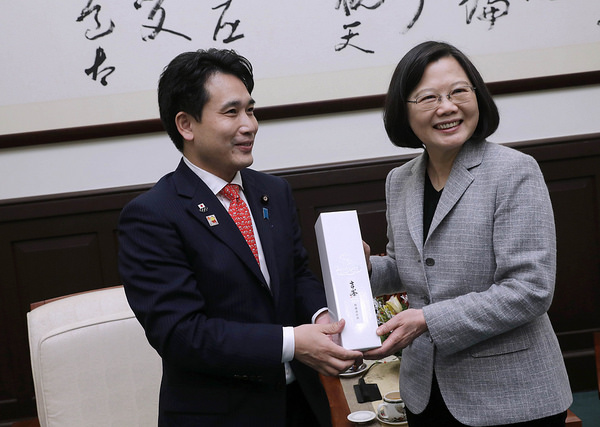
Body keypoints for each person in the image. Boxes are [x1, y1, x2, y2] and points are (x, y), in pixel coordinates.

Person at [118, 48, 362, 427]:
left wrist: (323, 316)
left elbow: (297, 274)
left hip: (301, 403)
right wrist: (291, 343)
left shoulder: (273, 191)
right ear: (186, 124)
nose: (249, 125)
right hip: (222, 414)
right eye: (231, 112)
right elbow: (181, 334)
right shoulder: (153, 215)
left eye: (250, 110)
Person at [362, 41, 573, 426]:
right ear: (403, 111)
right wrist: (366, 268)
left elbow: (530, 289)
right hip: (425, 391)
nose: (447, 107)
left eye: (459, 91)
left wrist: (427, 320)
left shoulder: (514, 171)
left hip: (511, 397)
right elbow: (408, 267)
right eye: (429, 97)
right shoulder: (400, 180)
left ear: (478, 96)